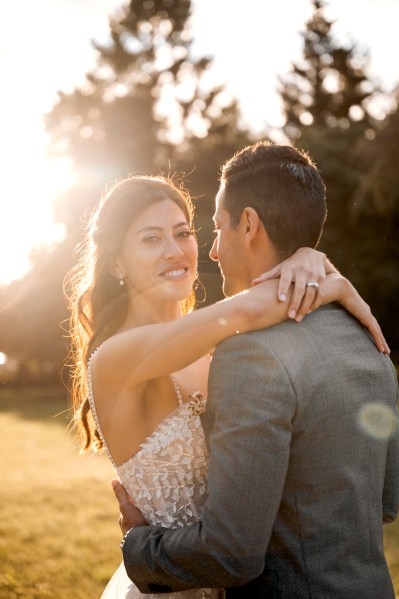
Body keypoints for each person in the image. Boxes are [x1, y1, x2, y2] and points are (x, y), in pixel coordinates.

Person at [110, 142, 399, 599]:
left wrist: (139, 547)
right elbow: (384, 502)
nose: (212, 252)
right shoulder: (366, 339)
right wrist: (322, 268)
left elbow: (233, 553)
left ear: (248, 225)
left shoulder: (249, 357)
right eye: (151, 237)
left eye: (211, 229)